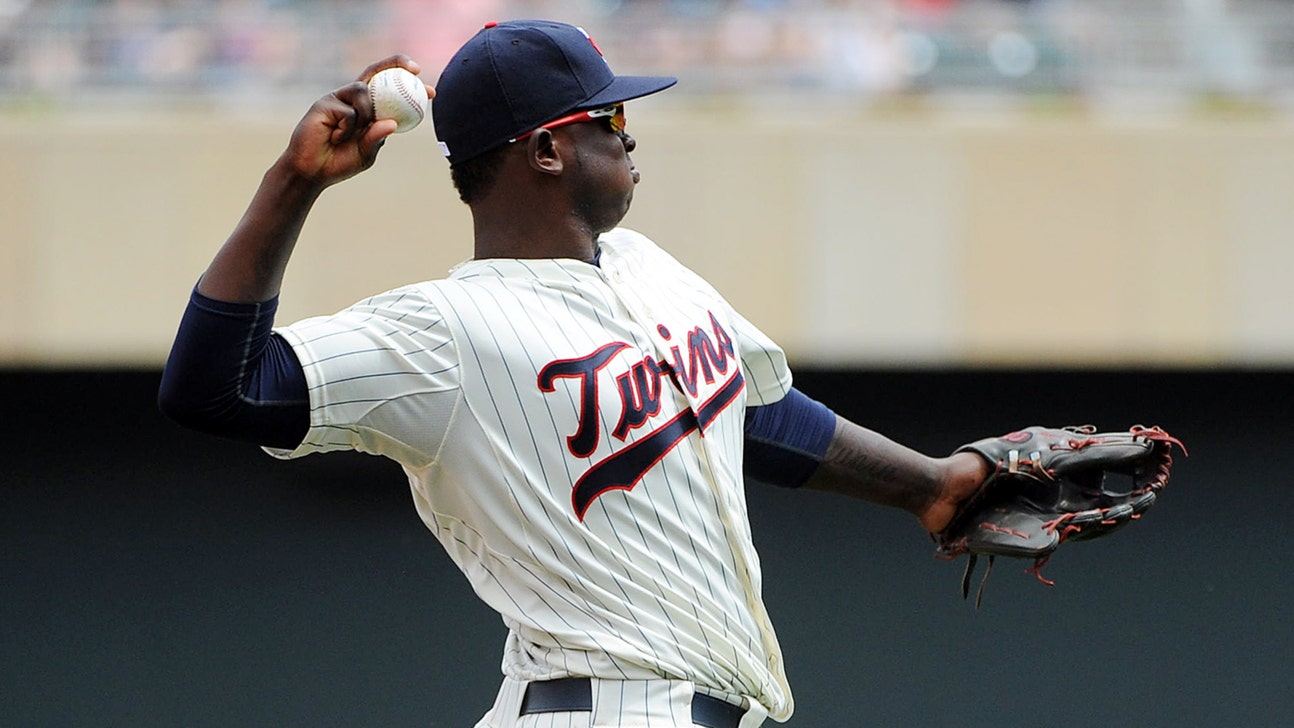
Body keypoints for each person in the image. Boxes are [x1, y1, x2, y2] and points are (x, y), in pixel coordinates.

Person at [159, 19, 988, 728]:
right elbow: (215, 390)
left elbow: (752, 414)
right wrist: (293, 183)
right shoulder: (444, 331)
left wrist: (932, 488)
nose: (628, 134)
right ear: (548, 149)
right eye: (611, 114)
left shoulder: (646, 265)